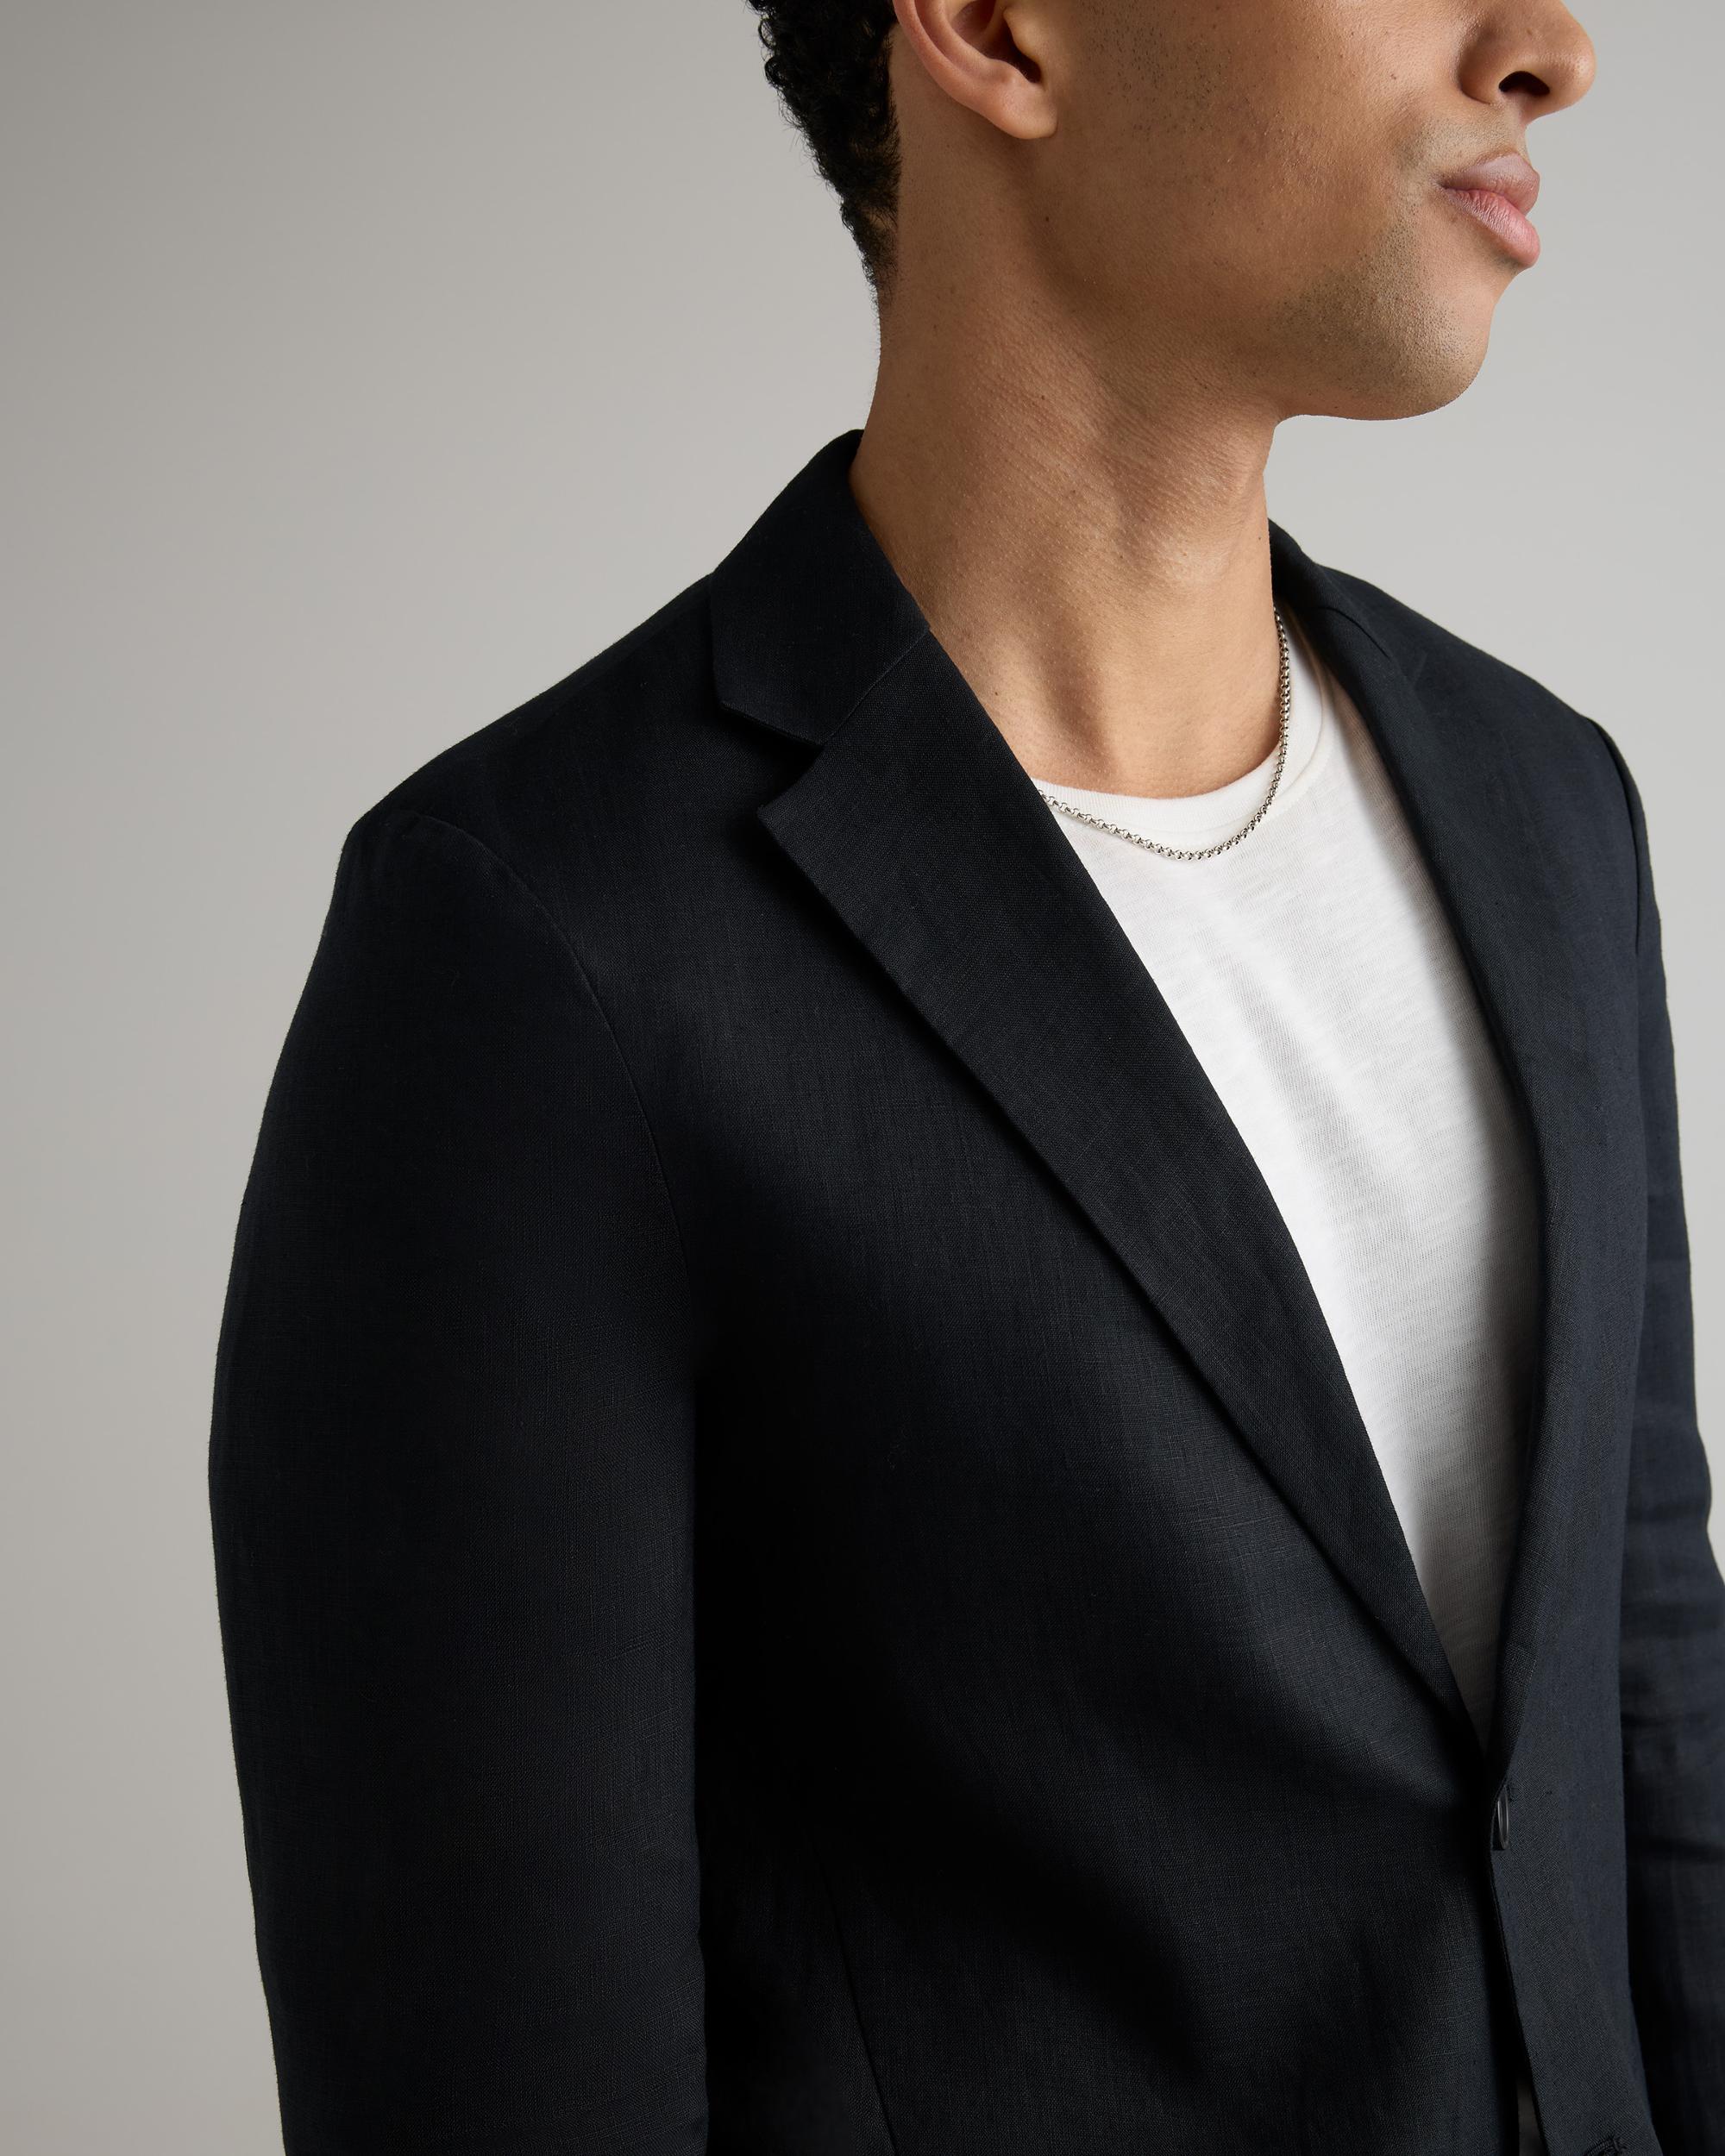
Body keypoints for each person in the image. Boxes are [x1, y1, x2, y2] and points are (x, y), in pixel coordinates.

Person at [208, 2, 1723, 2150]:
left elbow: (1649, 1709)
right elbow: (494, 2067)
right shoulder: (540, 933)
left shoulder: (1544, 797)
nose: (1548, 45)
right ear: (1001, 30)